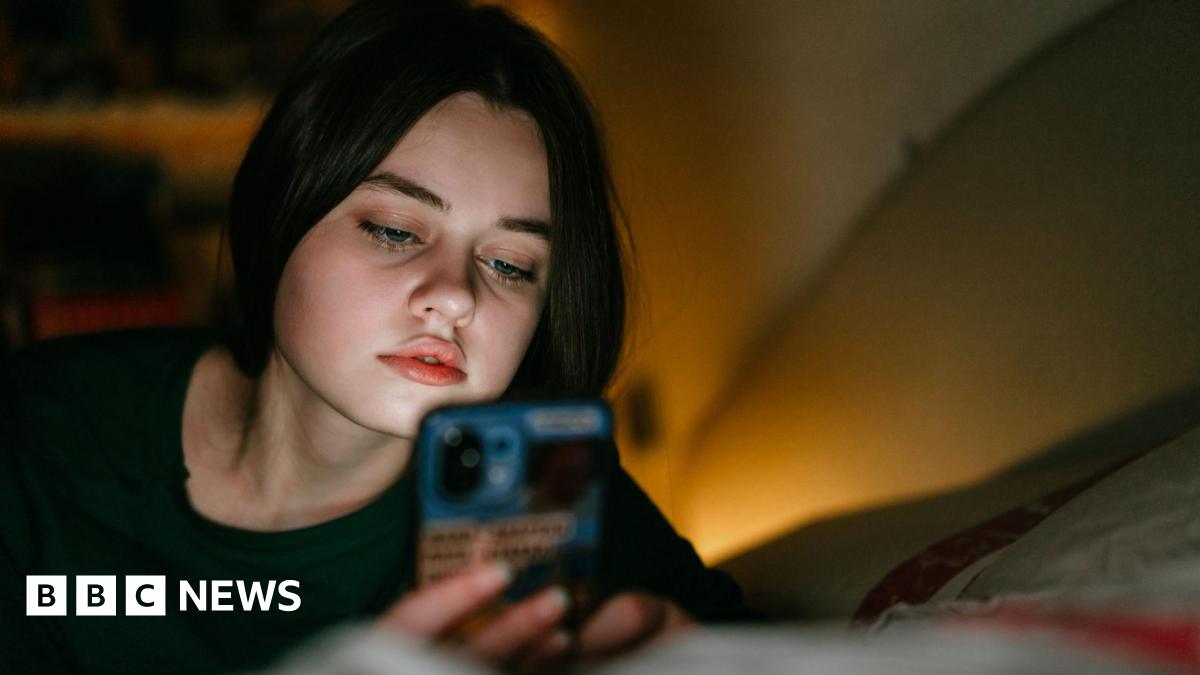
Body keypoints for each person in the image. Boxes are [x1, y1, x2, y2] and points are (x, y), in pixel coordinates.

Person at [0, 1, 755, 673]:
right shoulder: (35, 436)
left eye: (510, 264)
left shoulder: (551, 496)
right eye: (395, 229)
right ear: (283, 206)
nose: (456, 295)